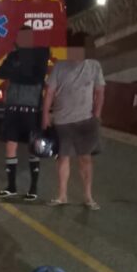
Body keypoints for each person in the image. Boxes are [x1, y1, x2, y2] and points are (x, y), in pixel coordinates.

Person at [42, 32, 105, 210]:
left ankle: (88, 197)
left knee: (85, 159)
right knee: (63, 158)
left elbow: (100, 92)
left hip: (86, 121)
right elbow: (50, 92)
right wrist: (45, 114)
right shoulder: (60, 67)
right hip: (63, 120)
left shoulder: (94, 66)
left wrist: (97, 114)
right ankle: (62, 195)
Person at [0, 26, 51, 201]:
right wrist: (20, 69)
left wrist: (17, 70)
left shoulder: (41, 53)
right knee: (10, 146)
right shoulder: (13, 55)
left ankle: (33, 188)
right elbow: (1, 72)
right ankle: (11, 186)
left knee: (33, 148)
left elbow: (36, 77)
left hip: (32, 109)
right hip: (13, 108)